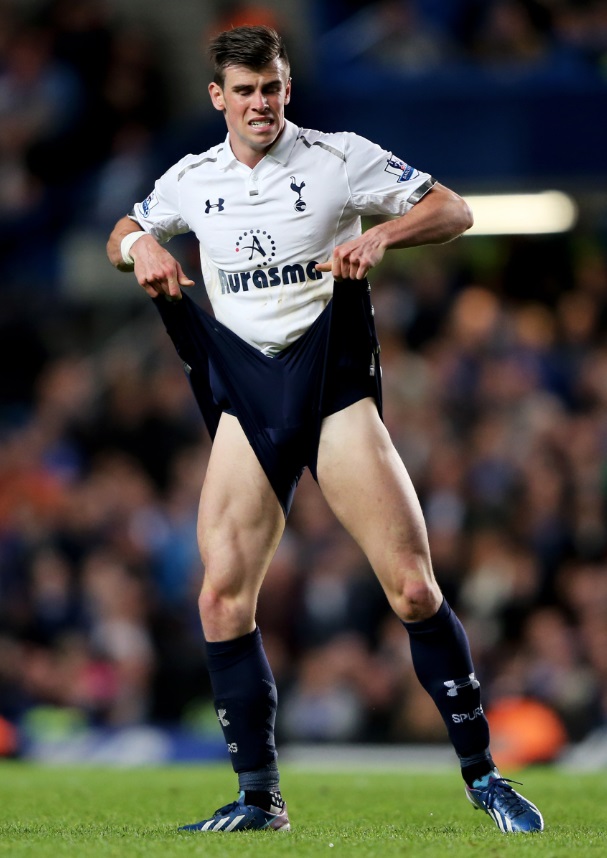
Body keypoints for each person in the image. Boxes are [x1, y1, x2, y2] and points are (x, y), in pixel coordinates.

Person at [106, 25, 543, 835]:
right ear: (218, 97)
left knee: (412, 587)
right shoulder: (190, 179)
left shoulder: (339, 158)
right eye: (245, 91)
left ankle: (484, 776)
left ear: (287, 87)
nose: (260, 104)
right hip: (247, 394)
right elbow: (121, 232)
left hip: (331, 391)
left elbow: (452, 209)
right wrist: (140, 250)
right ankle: (258, 800)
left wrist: (380, 233)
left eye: (271, 87)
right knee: (220, 600)